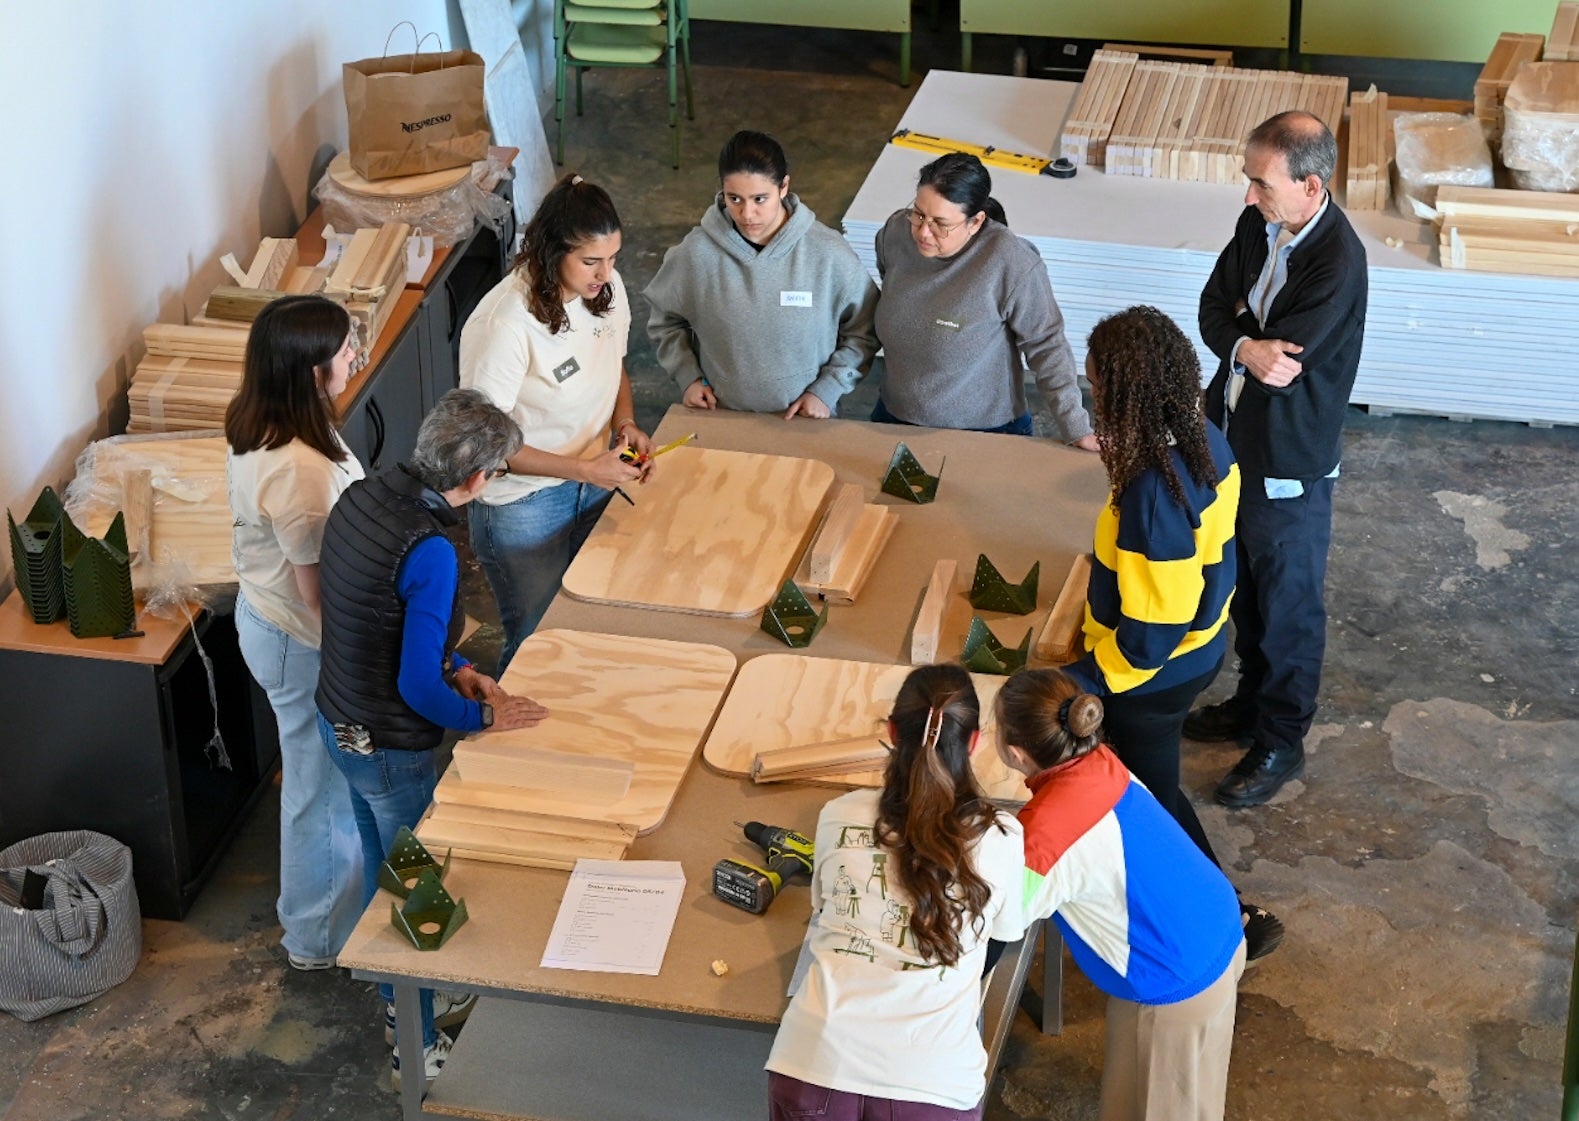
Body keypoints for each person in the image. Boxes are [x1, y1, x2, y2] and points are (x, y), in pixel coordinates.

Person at [314, 388, 551, 1090]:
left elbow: (368, 617)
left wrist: (462, 668)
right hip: (392, 745)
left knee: (381, 867)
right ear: (477, 478)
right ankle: (412, 1043)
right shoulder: (434, 550)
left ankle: (394, 993)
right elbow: (417, 688)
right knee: (414, 890)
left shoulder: (363, 496)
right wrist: (484, 716)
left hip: (339, 721)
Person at [1065, 305, 1281, 960]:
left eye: (1095, 381)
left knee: (1152, 799)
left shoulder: (1151, 493)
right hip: (1200, 648)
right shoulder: (1202, 438)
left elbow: (1151, 631)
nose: (1089, 388)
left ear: (1119, 390)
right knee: (1148, 788)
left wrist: (1083, 676)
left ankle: (1231, 917)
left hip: (1151, 675)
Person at [1189, 111, 1368, 807]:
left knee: (1288, 600)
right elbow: (1211, 311)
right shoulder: (1253, 227)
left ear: (1310, 184)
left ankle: (1280, 739)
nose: (1247, 196)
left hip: (1287, 459)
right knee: (1243, 588)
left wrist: (1246, 335)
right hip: (1230, 436)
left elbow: (1282, 365)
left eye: (1260, 183)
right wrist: (1243, 341)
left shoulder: (1336, 262)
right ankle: (1248, 702)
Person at [765, 664, 1025, 1120]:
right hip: (928, 1082)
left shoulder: (836, 813)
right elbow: (1004, 936)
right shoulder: (1001, 835)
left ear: (889, 731)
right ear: (974, 742)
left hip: (814, 1063)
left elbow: (824, 907)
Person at [996, 668, 1246, 1121]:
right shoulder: (1099, 762)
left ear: (1014, 753)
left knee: (1164, 1108)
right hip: (1212, 925)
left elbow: (1003, 917)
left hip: (1176, 978)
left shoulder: (1046, 836)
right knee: (1143, 1098)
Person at [460, 173, 654, 674]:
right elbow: (487, 446)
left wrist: (626, 422)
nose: (606, 273)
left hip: (595, 478)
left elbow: (615, 363)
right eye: (591, 261)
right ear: (551, 252)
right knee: (536, 643)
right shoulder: (505, 324)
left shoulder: (603, 287)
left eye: (613, 258)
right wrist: (587, 471)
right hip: (524, 504)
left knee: (591, 621)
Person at [224, 294, 366, 972]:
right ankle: (315, 939)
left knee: (322, 781)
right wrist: (360, 670)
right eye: (343, 349)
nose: (353, 356)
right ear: (312, 371)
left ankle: (334, 917)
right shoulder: (302, 472)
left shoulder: (265, 420)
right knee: (318, 789)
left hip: (270, 617)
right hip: (299, 639)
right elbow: (318, 598)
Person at [645, 130, 880, 419]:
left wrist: (827, 390)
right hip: (721, 415)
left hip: (806, 418)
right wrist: (689, 377)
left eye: (759, 199)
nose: (746, 214)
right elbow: (664, 322)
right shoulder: (695, 255)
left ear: (783, 187)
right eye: (735, 199)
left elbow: (864, 330)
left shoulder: (828, 254)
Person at [871, 151, 1097, 446]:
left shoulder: (1010, 262)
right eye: (918, 213)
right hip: (894, 417)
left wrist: (1076, 427)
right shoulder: (896, 234)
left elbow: (1047, 344)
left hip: (984, 432)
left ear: (975, 221)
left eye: (941, 223)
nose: (923, 232)